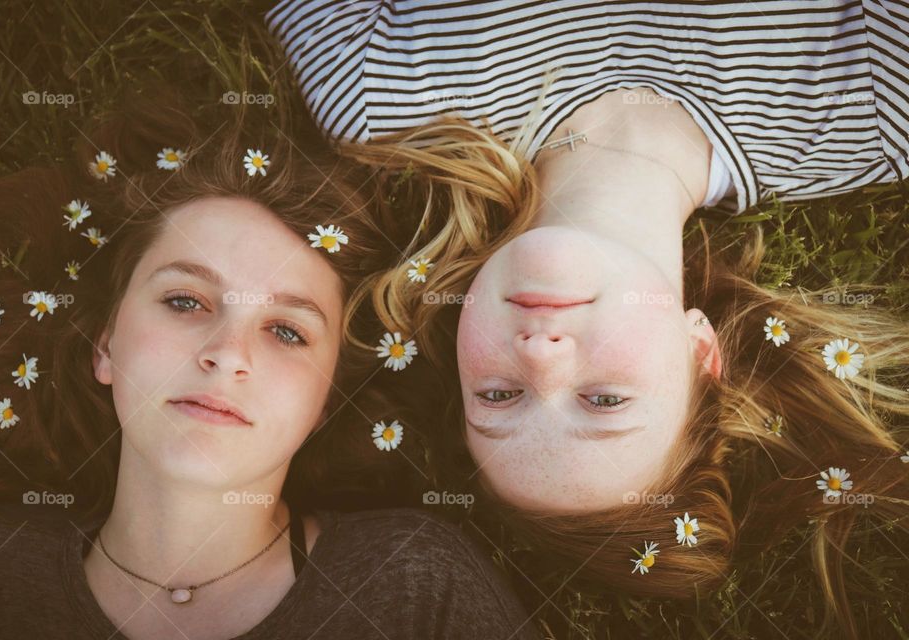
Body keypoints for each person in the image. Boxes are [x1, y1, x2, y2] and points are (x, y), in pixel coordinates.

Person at [266, 2, 909, 637]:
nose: (541, 356)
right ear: (701, 354)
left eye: (499, 395)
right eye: (604, 400)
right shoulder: (876, 107)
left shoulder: (378, 92)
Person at [0, 91, 542, 640]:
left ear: (326, 401)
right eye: (186, 301)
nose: (229, 354)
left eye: (287, 331)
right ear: (105, 345)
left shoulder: (410, 585)